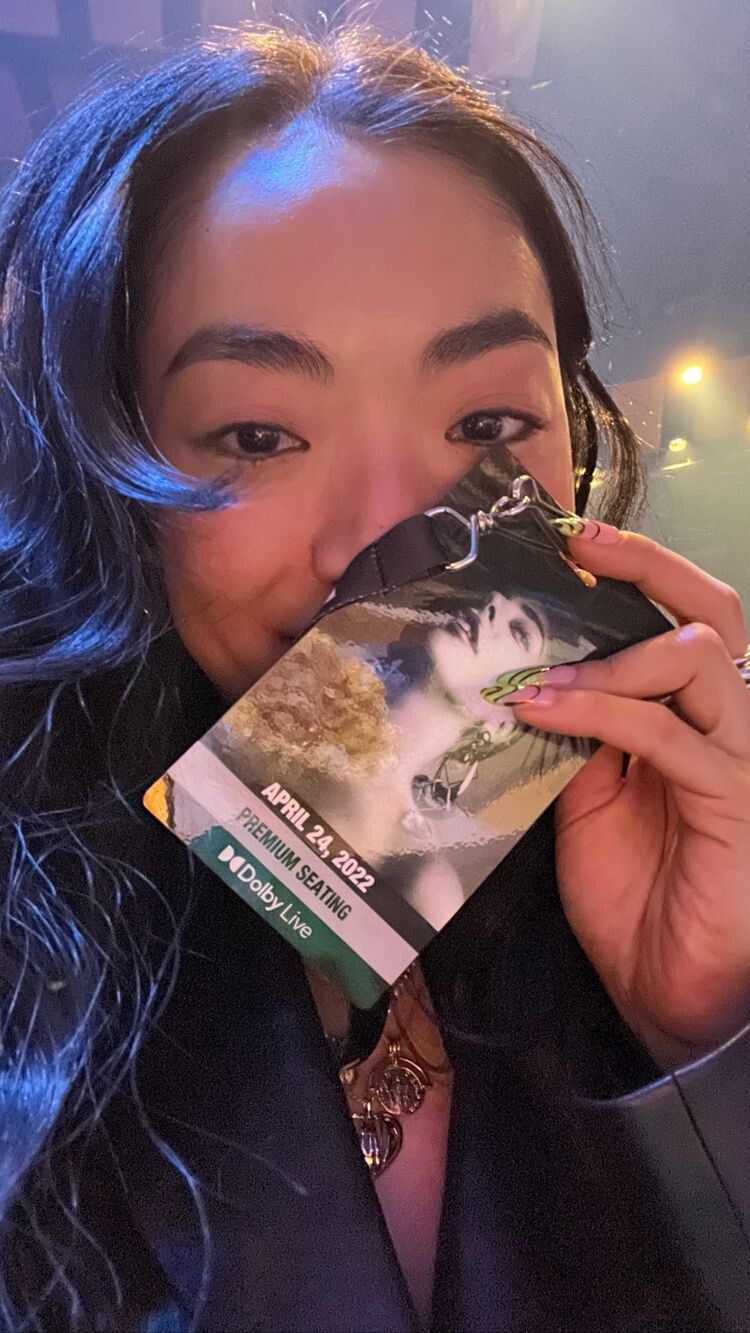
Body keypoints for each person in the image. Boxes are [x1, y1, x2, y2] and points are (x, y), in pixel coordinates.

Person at [0, 20, 748, 1332]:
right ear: (96, 471)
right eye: (255, 434)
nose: (387, 541)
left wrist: (707, 1030)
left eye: (487, 424)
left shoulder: (652, 871)